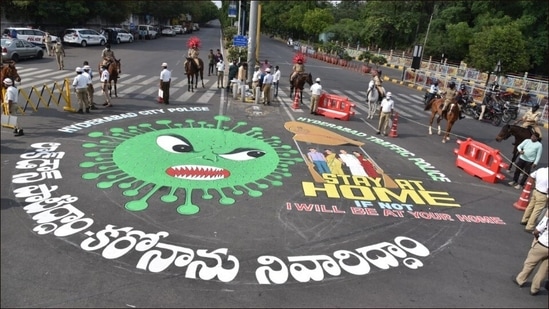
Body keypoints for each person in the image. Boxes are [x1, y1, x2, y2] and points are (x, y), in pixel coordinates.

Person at [512, 210, 548, 296]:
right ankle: (535, 289)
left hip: (542, 245)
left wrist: (536, 237)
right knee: (545, 270)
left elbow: (537, 230)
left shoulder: (547, 218)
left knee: (530, 263)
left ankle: (520, 279)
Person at [520, 167, 548, 232]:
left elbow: (532, 176)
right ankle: (530, 226)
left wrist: (533, 185)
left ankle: (524, 219)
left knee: (530, 206)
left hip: (536, 190)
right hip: (543, 194)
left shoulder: (540, 170)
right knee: (537, 210)